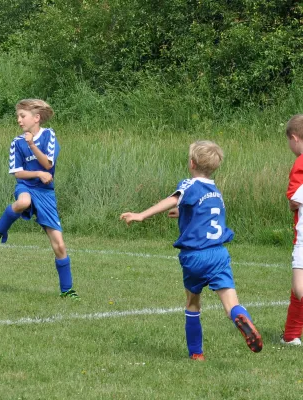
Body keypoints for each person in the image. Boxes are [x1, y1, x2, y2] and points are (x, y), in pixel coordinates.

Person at [120, 140, 262, 359]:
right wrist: (184, 213)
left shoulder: (189, 185)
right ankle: (239, 317)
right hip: (218, 254)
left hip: (195, 256)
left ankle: (196, 353)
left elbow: (173, 199)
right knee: (231, 303)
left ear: (192, 163)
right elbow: (205, 213)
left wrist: (141, 215)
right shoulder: (215, 192)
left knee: (193, 303)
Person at [0, 99, 79, 299]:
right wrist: (36, 174)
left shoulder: (49, 136)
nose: (19, 120)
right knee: (23, 202)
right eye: (18, 116)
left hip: (45, 193)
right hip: (26, 186)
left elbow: (47, 163)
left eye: (22, 116)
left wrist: (32, 144)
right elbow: (17, 173)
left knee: (60, 245)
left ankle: (67, 290)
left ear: (36, 118)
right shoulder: (16, 142)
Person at [281, 114, 303, 346]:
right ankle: (290, 335)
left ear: (294, 138)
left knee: (299, 288)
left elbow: (293, 199)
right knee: (297, 289)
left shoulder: (300, 162)